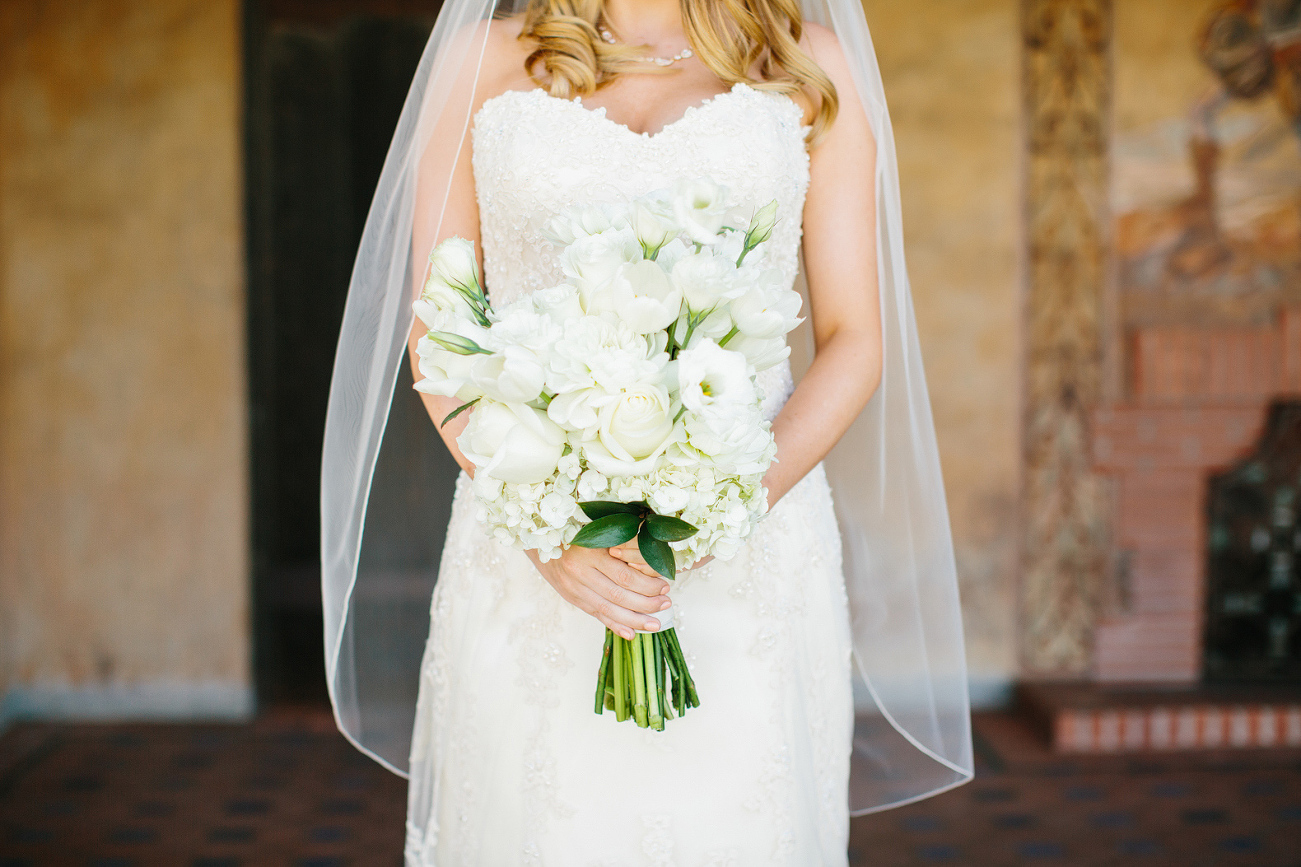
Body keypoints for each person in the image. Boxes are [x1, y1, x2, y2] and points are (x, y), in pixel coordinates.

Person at [320, 1, 974, 864]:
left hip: (748, 547)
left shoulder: (807, 64)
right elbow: (438, 321)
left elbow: (854, 339)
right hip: (529, 546)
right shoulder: (480, 59)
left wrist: (724, 501)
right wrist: (548, 529)